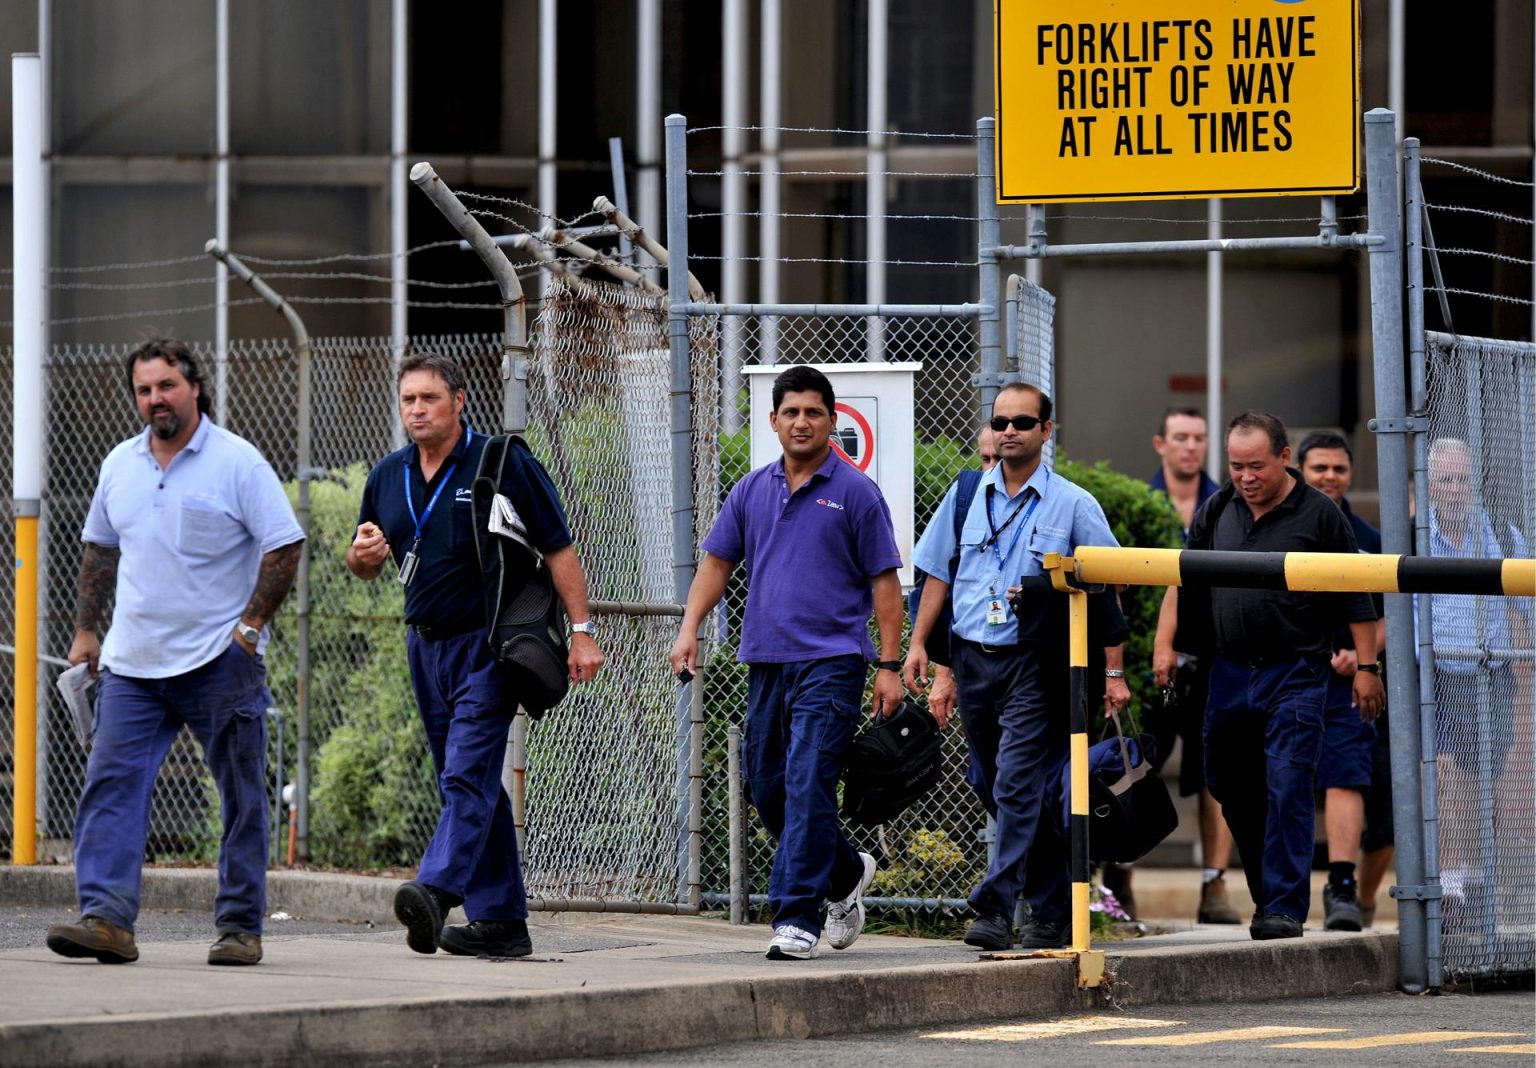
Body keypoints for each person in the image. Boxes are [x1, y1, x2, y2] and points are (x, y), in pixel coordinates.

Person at [47, 338, 304, 967]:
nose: (154, 399)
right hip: (132, 666)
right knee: (110, 785)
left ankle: (241, 927)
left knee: (241, 796)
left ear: (194, 387)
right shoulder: (119, 465)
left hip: (219, 663)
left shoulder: (237, 463)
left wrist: (249, 629)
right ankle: (106, 919)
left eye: (166, 386)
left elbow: (284, 545)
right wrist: (87, 631)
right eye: (143, 389)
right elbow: (99, 551)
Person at [346, 352, 605, 959]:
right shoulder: (388, 475)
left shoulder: (501, 460)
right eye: (408, 399)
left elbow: (559, 546)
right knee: (469, 780)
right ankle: (501, 924)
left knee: (467, 773)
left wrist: (584, 631)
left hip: (489, 645)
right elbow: (361, 561)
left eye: (429, 398)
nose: (417, 410)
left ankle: (437, 890)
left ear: (459, 400)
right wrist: (363, 556)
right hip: (424, 644)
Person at [670, 365, 904, 961]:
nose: (802, 422)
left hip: (832, 663)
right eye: (791, 412)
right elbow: (717, 565)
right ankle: (846, 873)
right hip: (766, 661)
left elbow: (885, 583)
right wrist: (690, 627)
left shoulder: (855, 492)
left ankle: (796, 917)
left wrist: (888, 663)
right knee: (768, 786)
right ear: (773, 422)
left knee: (808, 783)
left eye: (814, 412)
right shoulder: (751, 490)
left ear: (832, 421)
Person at [904, 383, 1131, 951]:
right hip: (972, 655)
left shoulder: (1073, 504)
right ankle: (1051, 907)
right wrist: (919, 647)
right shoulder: (963, 496)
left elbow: (1111, 583)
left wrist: (1111, 669)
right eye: (1001, 421)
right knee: (995, 783)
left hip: (1036, 660)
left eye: (1023, 422)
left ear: (1045, 431)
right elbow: (937, 574)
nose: (1010, 431)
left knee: (1016, 780)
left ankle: (997, 907)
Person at [1159, 411, 1383, 940]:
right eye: (1236, 466)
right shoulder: (1219, 508)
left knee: (1288, 783)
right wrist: (1165, 645)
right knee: (1227, 782)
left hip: (1296, 672)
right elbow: (1182, 577)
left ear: (1284, 457)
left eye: (1256, 465)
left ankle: (1284, 906)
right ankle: (1268, 894)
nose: (1246, 477)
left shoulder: (1321, 515)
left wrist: (1367, 668)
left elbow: (1358, 596)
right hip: (1229, 673)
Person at [1423, 438, 1530, 924]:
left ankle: (1479, 881)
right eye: (1446, 479)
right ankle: (1449, 885)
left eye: (1463, 479)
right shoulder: (1415, 536)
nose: (1455, 490)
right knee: (1445, 772)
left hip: (1493, 674)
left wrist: (1526, 691)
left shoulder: (1502, 537)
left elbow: (1521, 613)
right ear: (1429, 485)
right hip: (1436, 675)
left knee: (1492, 780)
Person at [1144, 406, 1241, 925]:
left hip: (1211, 657)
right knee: (1137, 766)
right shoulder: (1139, 500)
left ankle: (1215, 885)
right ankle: (1120, 879)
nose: (1190, 447)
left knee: (1214, 773)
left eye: (1199, 438)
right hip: (1148, 660)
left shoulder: (1226, 504)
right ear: (1161, 444)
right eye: (1180, 437)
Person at [1297, 431, 1389, 931]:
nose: (1329, 477)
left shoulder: (1369, 538)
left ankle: (1342, 888)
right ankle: (1277, 892)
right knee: (1278, 782)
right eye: (1319, 469)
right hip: (1285, 674)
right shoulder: (1279, 527)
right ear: (1300, 471)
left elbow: (1390, 613)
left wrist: (1363, 658)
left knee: (1345, 773)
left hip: (1350, 684)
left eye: (1338, 469)